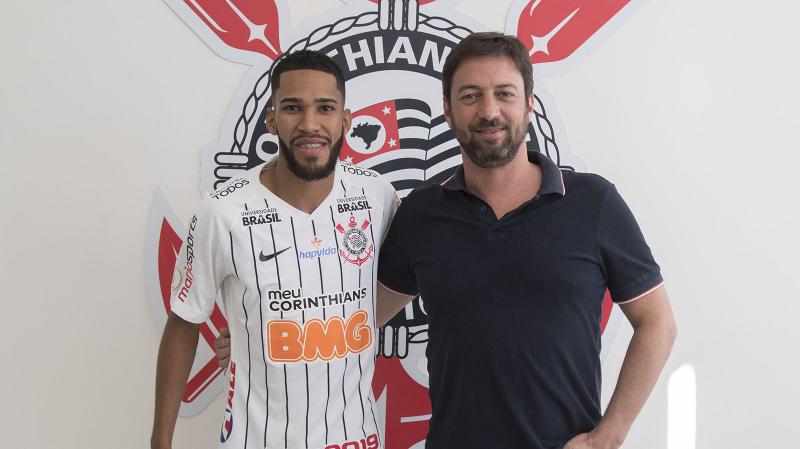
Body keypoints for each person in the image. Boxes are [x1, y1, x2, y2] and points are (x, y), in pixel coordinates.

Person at [217, 33, 677, 449]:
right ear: (448, 108)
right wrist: (256, 332)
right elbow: (357, 314)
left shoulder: (592, 202)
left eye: (504, 94)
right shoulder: (423, 213)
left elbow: (657, 323)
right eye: (471, 96)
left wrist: (607, 437)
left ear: (529, 103)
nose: (489, 111)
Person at [151, 50, 398, 449]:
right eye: (292, 108)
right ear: (271, 120)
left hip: (358, 438)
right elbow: (184, 321)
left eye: (325, 108)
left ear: (346, 121)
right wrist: (160, 441)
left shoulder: (377, 196)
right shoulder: (222, 213)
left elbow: (415, 270)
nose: (309, 124)